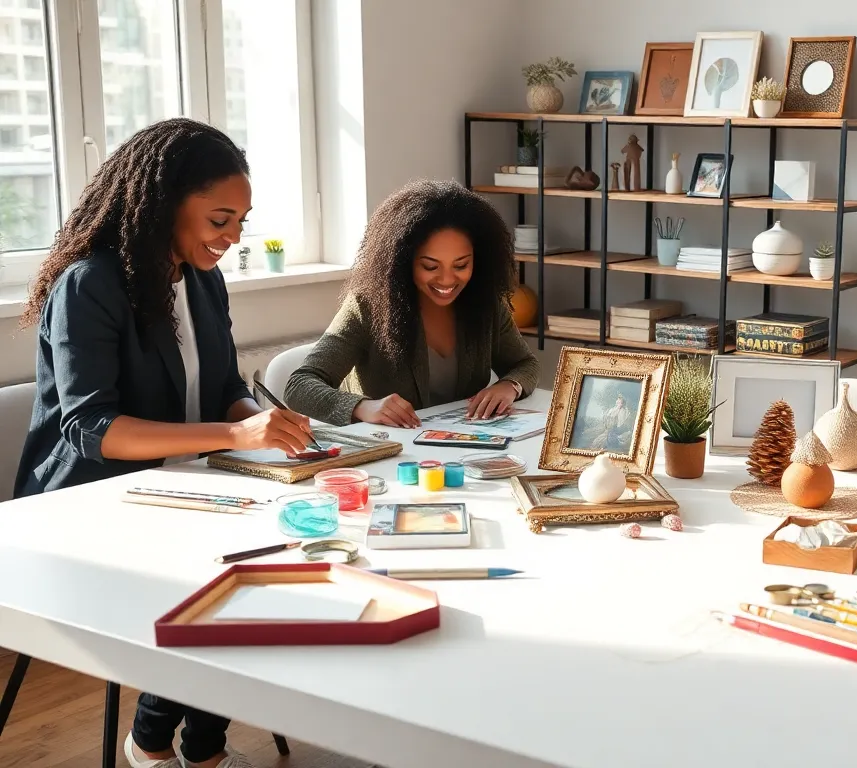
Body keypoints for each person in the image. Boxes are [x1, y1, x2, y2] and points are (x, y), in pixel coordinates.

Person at [13, 117, 315, 768]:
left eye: (242, 222)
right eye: (219, 220)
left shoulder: (202, 280)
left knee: (280, 554)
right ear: (163, 205)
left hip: (175, 489)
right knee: (234, 575)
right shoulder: (90, 285)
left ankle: (183, 741)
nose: (233, 238)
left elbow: (226, 387)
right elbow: (90, 429)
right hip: (82, 508)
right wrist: (237, 433)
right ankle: (165, 742)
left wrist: (273, 429)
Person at [284, 179, 540, 427]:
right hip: (391, 454)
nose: (447, 279)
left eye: (461, 265)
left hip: (461, 450)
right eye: (430, 266)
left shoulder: (485, 303)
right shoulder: (368, 307)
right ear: (403, 261)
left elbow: (525, 363)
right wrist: (362, 407)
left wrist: (510, 386)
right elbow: (300, 386)